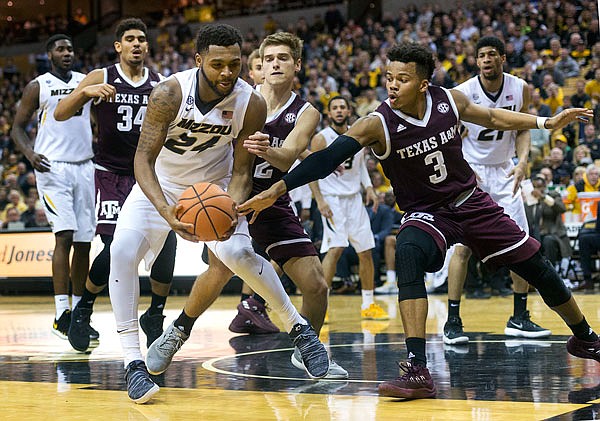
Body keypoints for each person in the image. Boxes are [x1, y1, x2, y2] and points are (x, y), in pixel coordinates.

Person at [239, 41, 599, 400]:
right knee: (408, 249)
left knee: (537, 266)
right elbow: (327, 158)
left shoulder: (449, 101)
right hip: (427, 213)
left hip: (471, 201)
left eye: (403, 79)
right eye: (389, 78)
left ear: (423, 84)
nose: (392, 85)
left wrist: (546, 122)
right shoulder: (376, 123)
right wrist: (277, 189)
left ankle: (586, 338)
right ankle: (417, 370)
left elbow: (490, 117)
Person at [106, 24, 329, 404]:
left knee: (238, 255)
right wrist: (166, 211)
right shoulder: (169, 93)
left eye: (235, 64)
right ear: (198, 61)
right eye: (217, 65)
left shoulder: (250, 103)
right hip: (162, 187)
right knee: (122, 252)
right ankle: (132, 363)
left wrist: (231, 206)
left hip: (214, 188)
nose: (227, 73)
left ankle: (299, 329)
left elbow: (242, 171)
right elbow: (141, 159)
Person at [54, 18, 178, 353]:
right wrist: (84, 92)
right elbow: (60, 114)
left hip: (150, 175)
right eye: (130, 39)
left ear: (147, 46)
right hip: (110, 174)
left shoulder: (162, 84)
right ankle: (84, 308)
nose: (137, 44)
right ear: (118, 46)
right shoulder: (102, 76)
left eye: (142, 39)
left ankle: (155, 314)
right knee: (113, 247)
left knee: (167, 246)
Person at [229, 32, 347, 378]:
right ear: (260, 67)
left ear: (297, 65)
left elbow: (286, 159)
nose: (276, 63)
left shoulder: (306, 112)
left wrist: (267, 149)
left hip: (272, 200)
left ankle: (305, 348)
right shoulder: (240, 99)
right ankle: (174, 332)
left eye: (284, 58)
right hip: (230, 199)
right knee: (215, 273)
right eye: (270, 59)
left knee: (316, 285)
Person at [444, 37, 550, 346]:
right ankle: (453, 321)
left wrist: (522, 162)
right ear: (476, 62)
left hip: (506, 171)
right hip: (472, 173)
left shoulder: (520, 88)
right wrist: (461, 168)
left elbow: (523, 129)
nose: (487, 59)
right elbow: (449, 136)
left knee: (522, 244)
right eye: (481, 55)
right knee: (462, 248)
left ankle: (519, 317)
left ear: (502, 58)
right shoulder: (463, 92)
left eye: (492, 54)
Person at [11, 34, 95, 341]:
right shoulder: (38, 85)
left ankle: (79, 314)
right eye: (61, 49)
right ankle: (62, 314)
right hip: (53, 168)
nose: (67, 53)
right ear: (49, 55)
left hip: (85, 166)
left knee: (85, 242)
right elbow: (16, 127)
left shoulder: (87, 81)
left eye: (71, 48)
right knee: (65, 236)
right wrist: (31, 154)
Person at [310, 96, 389, 320]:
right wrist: (319, 200)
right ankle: (320, 306)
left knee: (366, 251)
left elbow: (361, 166)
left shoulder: (358, 133)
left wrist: (369, 189)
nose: (339, 111)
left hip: (354, 199)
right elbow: (311, 172)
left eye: (342, 107)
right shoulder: (321, 138)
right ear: (328, 114)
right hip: (332, 199)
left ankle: (368, 304)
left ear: (348, 111)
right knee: (335, 249)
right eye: (334, 108)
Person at [525, 175, 572, 271]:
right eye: (535, 187)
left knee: (548, 240)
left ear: (545, 187)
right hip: (534, 235)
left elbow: (562, 208)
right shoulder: (527, 202)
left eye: (540, 187)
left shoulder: (553, 195)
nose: (537, 190)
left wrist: (543, 197)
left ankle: (551, 272)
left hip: (554, 236)